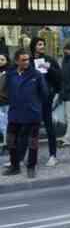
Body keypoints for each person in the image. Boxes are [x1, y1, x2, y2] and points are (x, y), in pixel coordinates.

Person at [2, 49, 48, 178]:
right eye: (23, 60)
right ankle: (14, 166)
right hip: (15, 113)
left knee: (33, 142)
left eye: (28, 59)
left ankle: (31, 167)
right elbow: (5, 91)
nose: (26, 62)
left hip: (32, 114)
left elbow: (44, 94)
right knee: (11, 140)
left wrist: (35, 106)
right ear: (17, 61)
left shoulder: (36, 74)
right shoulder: (10, 74)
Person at [29, 37, 62, 167]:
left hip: (46, 98)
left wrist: (49, 68)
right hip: (32, 100)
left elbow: (59, 77)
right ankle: (32, 158)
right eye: (39, 44)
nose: (42, 46)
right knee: (33, 130)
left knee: (49, 128)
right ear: (33, 46)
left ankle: (53, 156)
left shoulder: (50, 60)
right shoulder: (29, 61)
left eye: (43, 44)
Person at [0, 53, 11, 151]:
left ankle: (6, 143)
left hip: (6, 102)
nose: (0, 61)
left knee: (5, 124)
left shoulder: (9, 73)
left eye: (2, 59)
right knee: (2, 124)